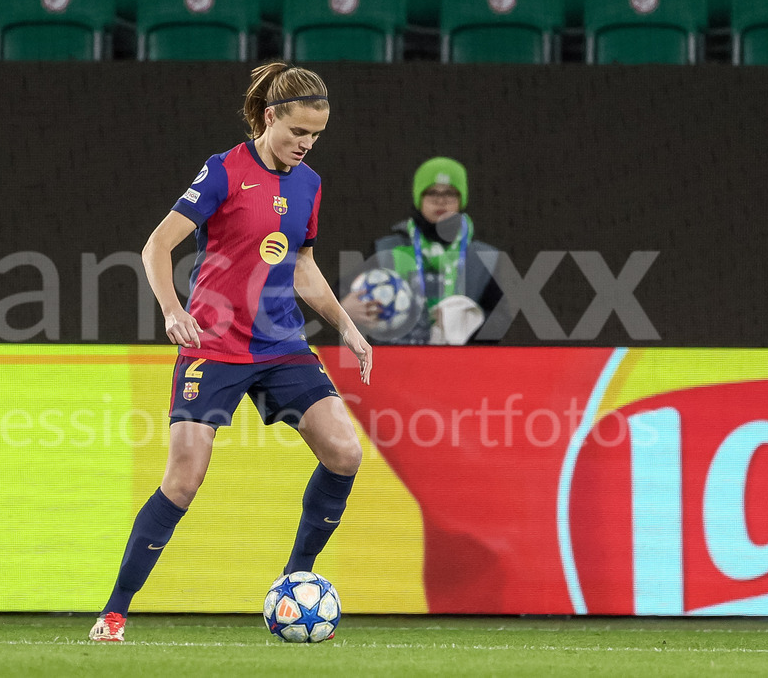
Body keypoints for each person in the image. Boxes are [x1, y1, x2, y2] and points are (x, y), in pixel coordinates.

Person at [89, 62, 373, 642]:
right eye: (298, 133)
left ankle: (294, 579)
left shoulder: (309, 185)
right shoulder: (224, 172)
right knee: (183, 482)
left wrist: (345, 326)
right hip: (214, 347)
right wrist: (173, 310)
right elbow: (156, 246)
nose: (305, 145)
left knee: (345, 453)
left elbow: (302, 267)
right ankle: (114, 612)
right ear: (271, 118)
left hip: (281, 345)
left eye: (315, 136)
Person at [341, 157, 507, 345]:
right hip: (394, 362)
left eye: (450, 193)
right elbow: (340, 294)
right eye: (431, 192)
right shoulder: (386, 249)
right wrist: (344, 310)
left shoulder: (485, 257)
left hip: (462, 365)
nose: (440, 201)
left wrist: (467, 323)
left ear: (462, 200)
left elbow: (500, 319)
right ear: (418, 198)